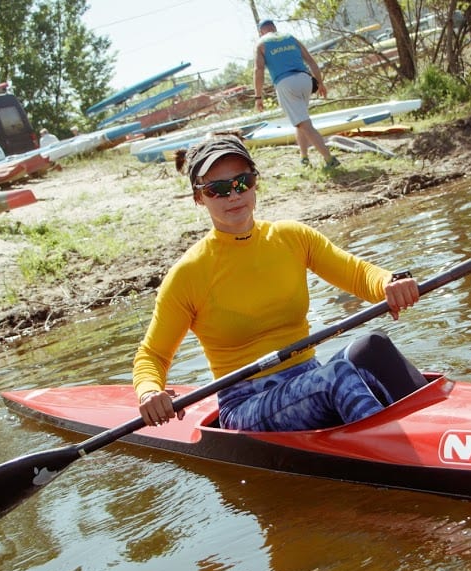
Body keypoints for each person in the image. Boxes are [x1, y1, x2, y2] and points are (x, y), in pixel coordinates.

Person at [133, 134, 427, 432]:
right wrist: (149, 391)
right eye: (218, 189)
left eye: (242, 182)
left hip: (310, 379)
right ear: (199, 197)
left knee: (374, 347)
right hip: (247, 403)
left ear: (254, 182)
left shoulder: (292, 237)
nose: (234, 195)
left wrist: (390, 282)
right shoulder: (188, 274)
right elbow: (152, 355)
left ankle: (434, 430)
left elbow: (358, 274)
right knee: (337, 376)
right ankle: (405, 458)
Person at [253, 18, 339, 169]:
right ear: (274, 27)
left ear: (261, 32)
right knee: (300, 122)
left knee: (304, 124)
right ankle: (304, 157)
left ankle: (329, 159)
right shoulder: (290, 38)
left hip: (286, 83)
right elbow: (311, 61)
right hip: (305, 80)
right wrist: (320, 83)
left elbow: (258, 70)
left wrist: (258, 97)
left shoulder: (261, 44)